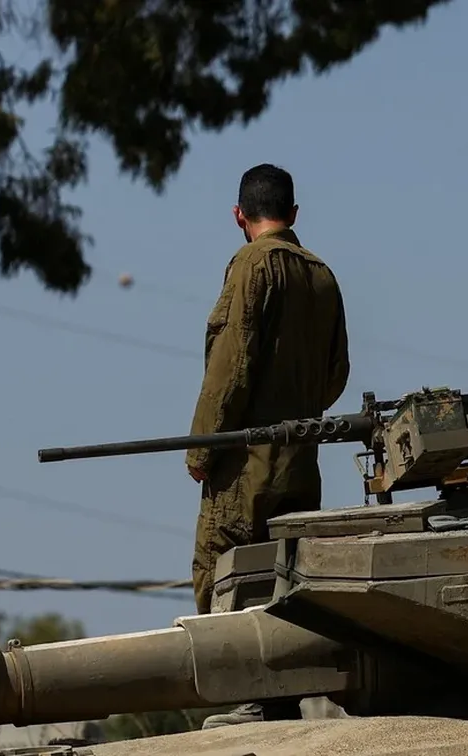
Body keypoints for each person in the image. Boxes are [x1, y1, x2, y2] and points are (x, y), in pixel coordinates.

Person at [186, 165, 349, 728]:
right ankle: (277, 696)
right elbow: (336, 376)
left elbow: (229, 367)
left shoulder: (251, 265)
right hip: (301, 463)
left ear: (239, 216)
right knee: (287, 578)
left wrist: (201, 449)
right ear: (294, 215)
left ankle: (244, 697)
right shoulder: (322, 275)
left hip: (244, 464)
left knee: (225, 567)